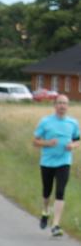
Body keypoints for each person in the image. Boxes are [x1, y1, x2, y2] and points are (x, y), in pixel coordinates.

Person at [33, 94, 80, 237]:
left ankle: (55, 225)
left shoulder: (73, 123)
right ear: (55, 105)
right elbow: (35, 141)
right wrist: (48, 143)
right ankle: (45, 211)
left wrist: (73, 145)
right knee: (47, 192)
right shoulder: (45, 122)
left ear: (68, 106)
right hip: (47, 162)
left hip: (64, 161)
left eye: (65, 103)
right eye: (59, 103)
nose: (62, 106)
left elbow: (78, 140)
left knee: (60, 191)